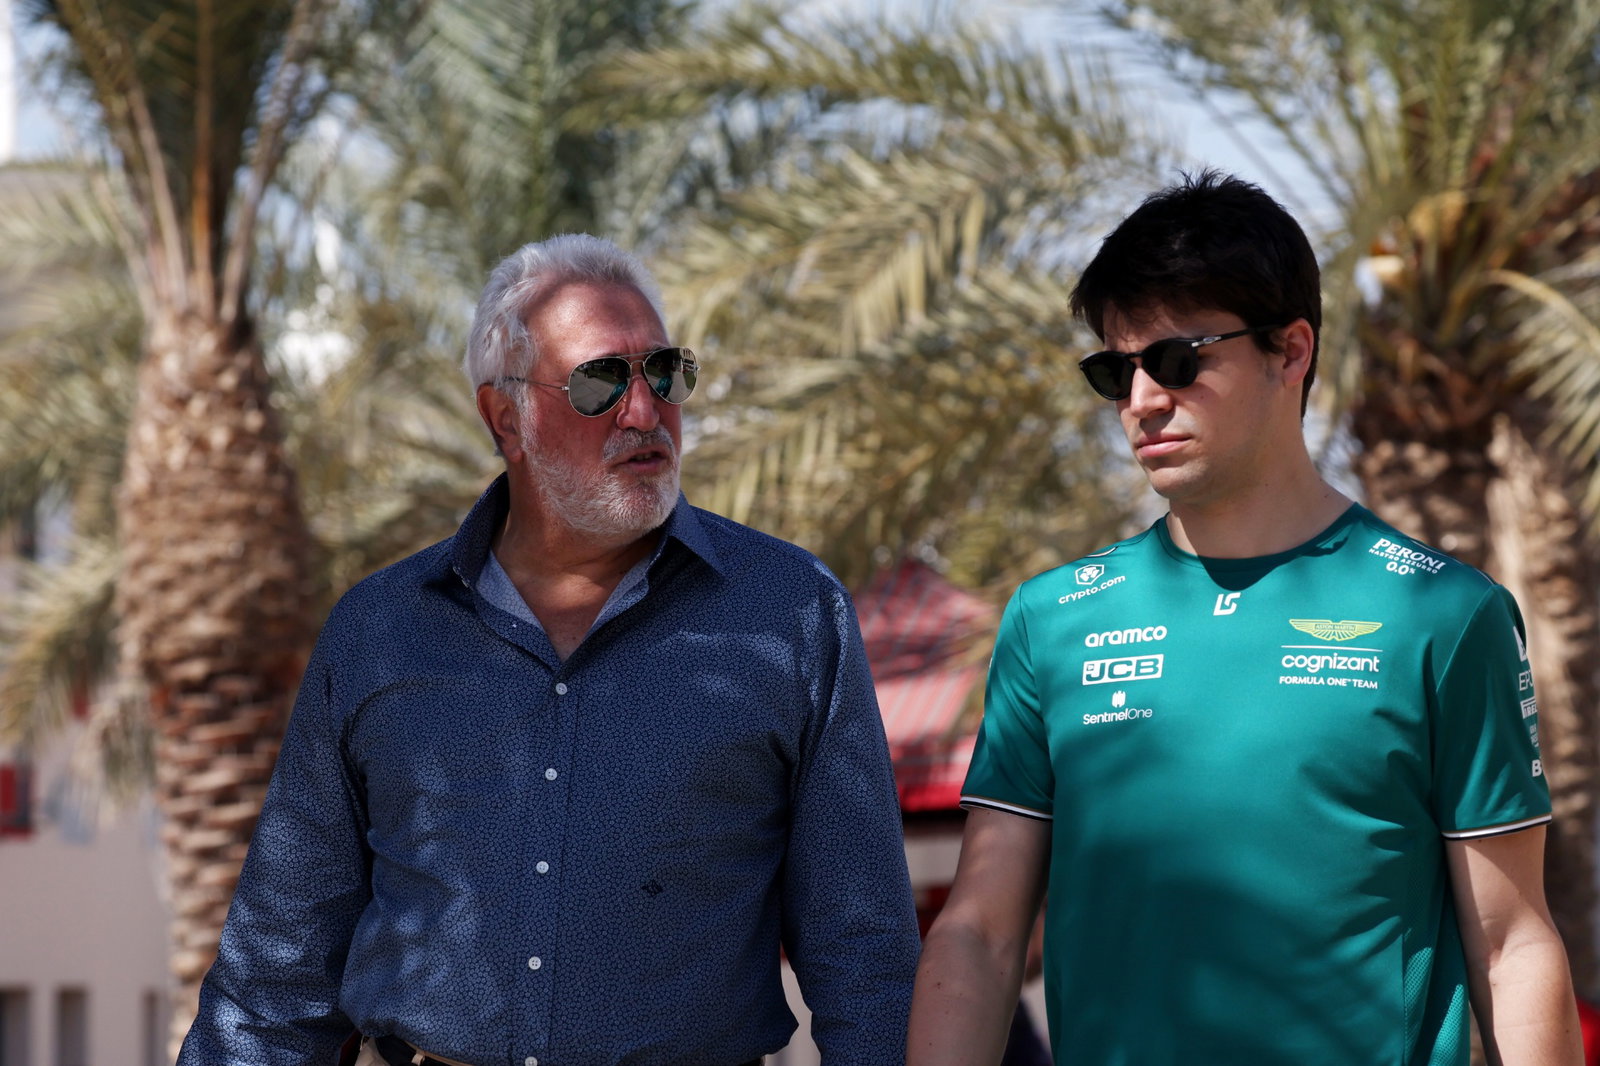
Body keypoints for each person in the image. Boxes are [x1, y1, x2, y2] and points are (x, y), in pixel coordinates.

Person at [178, 235, 921, 1066]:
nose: (645, 412)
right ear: (507, 419)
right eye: (601, 382)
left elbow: (867, 958)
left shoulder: (790, 615)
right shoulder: (379, 635)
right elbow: (276, 981)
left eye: (664, 373)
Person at [907, 171, 1583, 1065]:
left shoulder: (1445, 615)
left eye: (1179, 360)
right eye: (1117, 369)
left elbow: (1511, 944)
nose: (1143, 398)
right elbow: (980, 936)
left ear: (1290, 350)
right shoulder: (1052, 619)